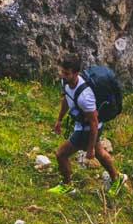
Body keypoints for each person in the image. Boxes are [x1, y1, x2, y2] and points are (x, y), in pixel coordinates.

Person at [48, 54, 127, 196]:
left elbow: (94, 122)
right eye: (62, 72)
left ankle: (67, 185)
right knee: (100, 153)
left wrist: (89, 149)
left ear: (76, 73)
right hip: (83, 124)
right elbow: (67, 98)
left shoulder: (86, 97)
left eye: (67, 74)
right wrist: (59, 119)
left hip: (87, 129)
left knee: (61, 154)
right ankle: (117, 178)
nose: (63, 76)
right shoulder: (65, 83)